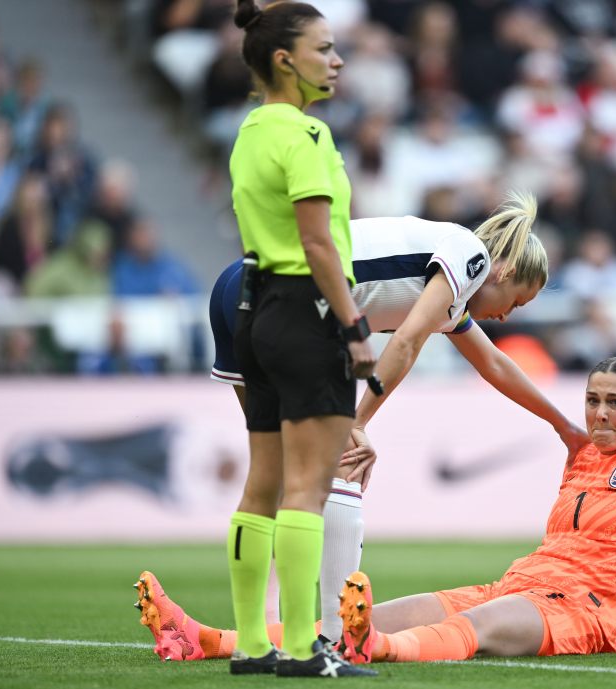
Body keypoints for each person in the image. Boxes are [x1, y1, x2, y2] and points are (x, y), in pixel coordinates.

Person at [134, 356, 616, 662]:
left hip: (584, 610)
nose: (598, 412)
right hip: (517, 583)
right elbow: (494, 364)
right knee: (376, 610)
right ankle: (208, 638)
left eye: (615, 403)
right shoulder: (580, 456)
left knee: (473, 628)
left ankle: (376, 650)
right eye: (592, 399)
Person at [164, 193, 589, 655]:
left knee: (282, 472)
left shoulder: (449, 296)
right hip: (298, 298)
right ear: (504, 272)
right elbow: (406, 342)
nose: (507, 314)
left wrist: (561, 424)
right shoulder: (471, 256)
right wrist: (357, 423)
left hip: (237, 286)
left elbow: (493, 363)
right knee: (344, 463)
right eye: (517, 301)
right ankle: (335, 640)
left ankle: (263, 636)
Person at [221, 0, 376, 678]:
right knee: (307, 489)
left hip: (254, 312)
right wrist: (354, 326)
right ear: (285, 59)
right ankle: (301, 647)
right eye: (323, 48)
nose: (336, 60)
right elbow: (317, 240)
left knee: (263, 486)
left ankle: (254, 644)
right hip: (306, 311)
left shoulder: (250, 129)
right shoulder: (308, 136)